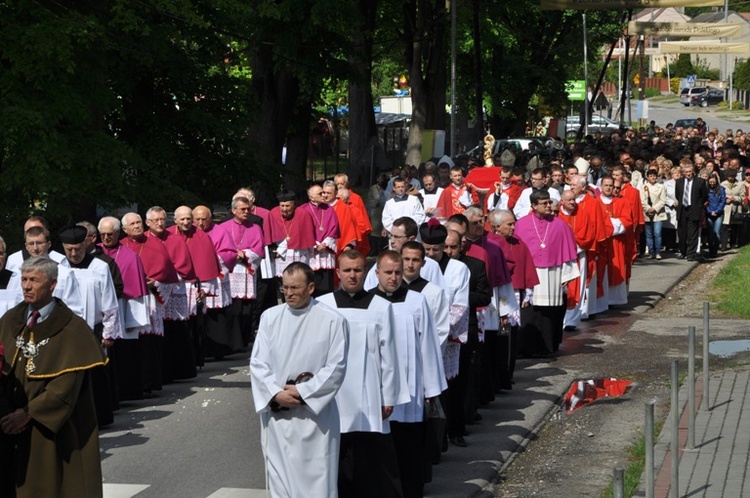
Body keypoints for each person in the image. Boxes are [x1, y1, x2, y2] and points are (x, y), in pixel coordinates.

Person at [0, 256, 107, 497]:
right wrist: (6, 411)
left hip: (52, 428)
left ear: (52, 284)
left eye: (34, 280)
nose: (26, 286)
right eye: (24, 279)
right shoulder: (10, 321)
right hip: (9, 424)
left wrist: (27, 414)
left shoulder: (73, 328)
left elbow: (66, 388)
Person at [250, 262, 348, 498]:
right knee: (279, 479)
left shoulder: (333, 320)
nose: (289, 293)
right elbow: (258, 363)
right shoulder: (270, 317)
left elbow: (336, 367)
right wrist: (275, 393)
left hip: (315, 418)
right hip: (278, 415)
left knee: (317, 480)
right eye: (285, 288)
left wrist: (303, 393)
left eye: (295, 287)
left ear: (311, 287)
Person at [317, 251, 407, 497]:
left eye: (357, 270)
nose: (353, 275)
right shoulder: (322, 305)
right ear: (338, 272)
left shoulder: (380, 307)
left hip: (368, 394)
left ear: (365, 272)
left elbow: (389, 354)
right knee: (335, 456)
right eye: (347, 270)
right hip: (333, 396)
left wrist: (388, 396)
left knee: (369, 459)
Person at [370, 251, 446, 498]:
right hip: (376, 391)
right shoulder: (367, 302)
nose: (393, 278)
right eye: (388, 272)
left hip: (411, 389)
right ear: (377, 273)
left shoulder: (416, 300)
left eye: (398, 273)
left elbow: (429, 345)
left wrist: (431, 390)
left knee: (409, 447)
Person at [514, 190, 579, 356]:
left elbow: (568, 251)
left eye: (549, 202)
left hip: (553, 274)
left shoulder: (560, 225)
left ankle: (547, 347)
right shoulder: (521, 225)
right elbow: (517, 254)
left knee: (549, 313)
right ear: (534, 206)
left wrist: (566, 275)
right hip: (531, 273)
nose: (549, 206)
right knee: (530, 311)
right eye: (544, 203)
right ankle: (526, 348)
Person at [97, 216, 150, 402]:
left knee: (125, 355)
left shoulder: (129, 256)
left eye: (109, 234)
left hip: (122, 308)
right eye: (102, 234)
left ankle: (127, 393)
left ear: (118, 233)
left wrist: (132, 321)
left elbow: (135, 291)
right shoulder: (94, 253)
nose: (105, 238)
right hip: (100, 311)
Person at [220, 197, 264, 347]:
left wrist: (243, 255)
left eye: (248, 209)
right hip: (230, 272)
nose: (247, 212)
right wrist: (233, 255)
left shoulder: (255, 228)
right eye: (243, 209)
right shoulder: (224, 227)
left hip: (246, 272)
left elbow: (258, 251)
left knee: (246, 309)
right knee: (231, 308)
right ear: (234, 210)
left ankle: (244, 340)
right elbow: (219, 249)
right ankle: (232, 342)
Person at [675, 162, 708, 262]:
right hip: (682, 210)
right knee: (682, 233)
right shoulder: (679, 182)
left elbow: (704, 196)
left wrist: (697, 205)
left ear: (693, 172)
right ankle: (683, 252)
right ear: (683, 173)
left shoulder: (700, 182)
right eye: (686, 172)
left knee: (692, 234)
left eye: (690, 171)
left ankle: (691, 254)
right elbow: (678, 195)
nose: (688, 173)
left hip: (694, 209)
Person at [334, 174, 373, 256]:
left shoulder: (356, 198)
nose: (340, 186)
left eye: (342, 183)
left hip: (353, 239)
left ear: (347, 183)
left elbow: (363, 222)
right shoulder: (333, 198)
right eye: (337, 184)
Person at [640, 169, 667, 260]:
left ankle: (658, 252)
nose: (653, 177)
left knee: (657, 233)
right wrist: (648, 209)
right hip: (647, 213)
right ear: (647, 177)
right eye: (650, 176)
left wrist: (654, 208)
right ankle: (651, 252)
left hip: (658, 213)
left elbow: (663, 200)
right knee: (649, 234)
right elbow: (642, 200)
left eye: (654, 175)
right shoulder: (643, 187)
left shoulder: (661, 187)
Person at [706, 175, 726, 258]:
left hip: (718, 214)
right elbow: (704, 202)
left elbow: (723, 201)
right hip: (709, 213)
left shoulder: (721, 189)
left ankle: (715, 250)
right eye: (710, 182)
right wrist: (710, 212)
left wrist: (717, 211)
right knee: (710, 233)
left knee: (716, 232)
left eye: (713, 182)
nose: (712, 184)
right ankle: (711, 250)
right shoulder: (706, 190)